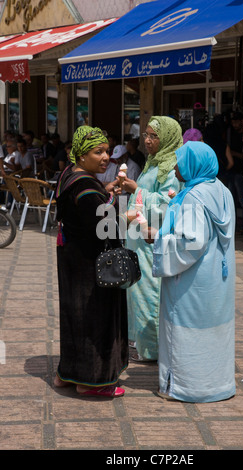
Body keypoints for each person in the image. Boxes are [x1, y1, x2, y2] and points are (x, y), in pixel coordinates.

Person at [149, 141, 236, 403]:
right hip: (217, 280)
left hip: (192, 283)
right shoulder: (220, 190)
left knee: (186, 333)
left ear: (193, 165)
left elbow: (192, 242)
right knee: (214, 333)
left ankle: (186, 388)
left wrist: (157, 240)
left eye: (179, 162)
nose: (175, 168)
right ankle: (216, 384)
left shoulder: (193, 198)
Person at [53, 125, 128, 397]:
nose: (106, 157)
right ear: (81, 156)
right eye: (98, 152)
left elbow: (84, 209)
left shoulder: (70, 174)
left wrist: (104, 192)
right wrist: (127, 217)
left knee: (74, 317)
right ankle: (91, 382)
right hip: (90, 265)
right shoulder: (85, 186)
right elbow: (103, 225)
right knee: (94, 319)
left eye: (107, 150)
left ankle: (67, 374)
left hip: (72, 260)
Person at [120, 116, 183, 362]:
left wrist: (136, 190)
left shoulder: (172, 167)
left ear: (167, 138)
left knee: (149, 293)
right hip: (138, 238)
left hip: (152, 240)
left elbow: (168, 205)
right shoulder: (153, 163)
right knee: (136, 292)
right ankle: (141, 343)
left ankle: (153, 349)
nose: (147, 140)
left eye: (153, 136)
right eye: (145, 134)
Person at [227, 112, 243, 233]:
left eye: (236, 122)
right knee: (231, 200)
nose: (234, 124)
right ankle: (233, 225)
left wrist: (234, 154)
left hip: (242, 171)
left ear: (242, 121)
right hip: (232, 171)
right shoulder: (230, 132)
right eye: (233, 122)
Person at [203, 120, 234, 186]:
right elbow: (231, 163)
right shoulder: (224, 145)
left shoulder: (204, 145)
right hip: (221, 176)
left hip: (207, 176)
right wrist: (223, 169)